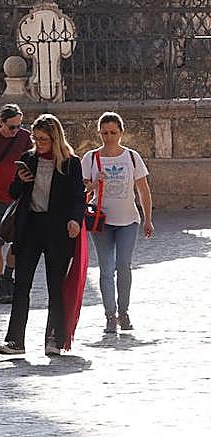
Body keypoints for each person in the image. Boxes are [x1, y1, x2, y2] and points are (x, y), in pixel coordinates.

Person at [0, 114, 86, 356]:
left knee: (55, 286)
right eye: (36, 139)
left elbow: (78, 197)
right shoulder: (28, 158)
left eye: (44, 140)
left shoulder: (70, 163)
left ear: (55, 138)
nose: (40, 144)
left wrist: (75, 220)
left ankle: (54, 339)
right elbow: (14, 193)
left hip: (57, 229)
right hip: (30, 227)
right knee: (21, 285)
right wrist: (20, 180)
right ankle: (15, 341)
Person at [80, 112, 155, 334]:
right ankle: (109, 315)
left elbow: (143, 190)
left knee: (124, 265)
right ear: (99, 133)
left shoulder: (132, 157)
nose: (109, 137)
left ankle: (124, 312)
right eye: (105, 133)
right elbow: (81, 191)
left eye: (113, 132)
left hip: (128, 220)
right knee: (105, 269)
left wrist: (148, 219)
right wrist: (95, 183)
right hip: (101, 222)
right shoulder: (90, 158)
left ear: (121, 132)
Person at [0, 103, 32, 304]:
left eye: (19, 126)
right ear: (0, 123)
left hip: (17, 198)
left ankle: (9, 278)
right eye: (12, 127)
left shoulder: (25, 137)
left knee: (18, 242)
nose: (16, 130)